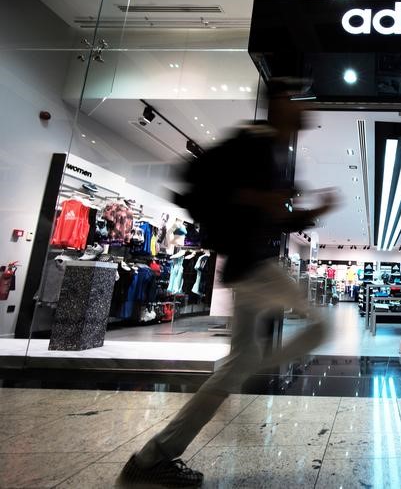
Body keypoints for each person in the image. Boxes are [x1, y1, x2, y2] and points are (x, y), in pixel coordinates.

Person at [119, 79, 337, 487]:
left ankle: (152, 458)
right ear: (279, 102)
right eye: (296, 99)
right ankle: (263, 367)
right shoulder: (252, 141)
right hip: (252, 264)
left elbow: (268, 216)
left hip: (250, 263)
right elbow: (198, 178)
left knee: (236, 364)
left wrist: (306, 215)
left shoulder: (273, 152)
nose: (304, 108)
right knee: (321, 325)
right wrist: (255, 200)